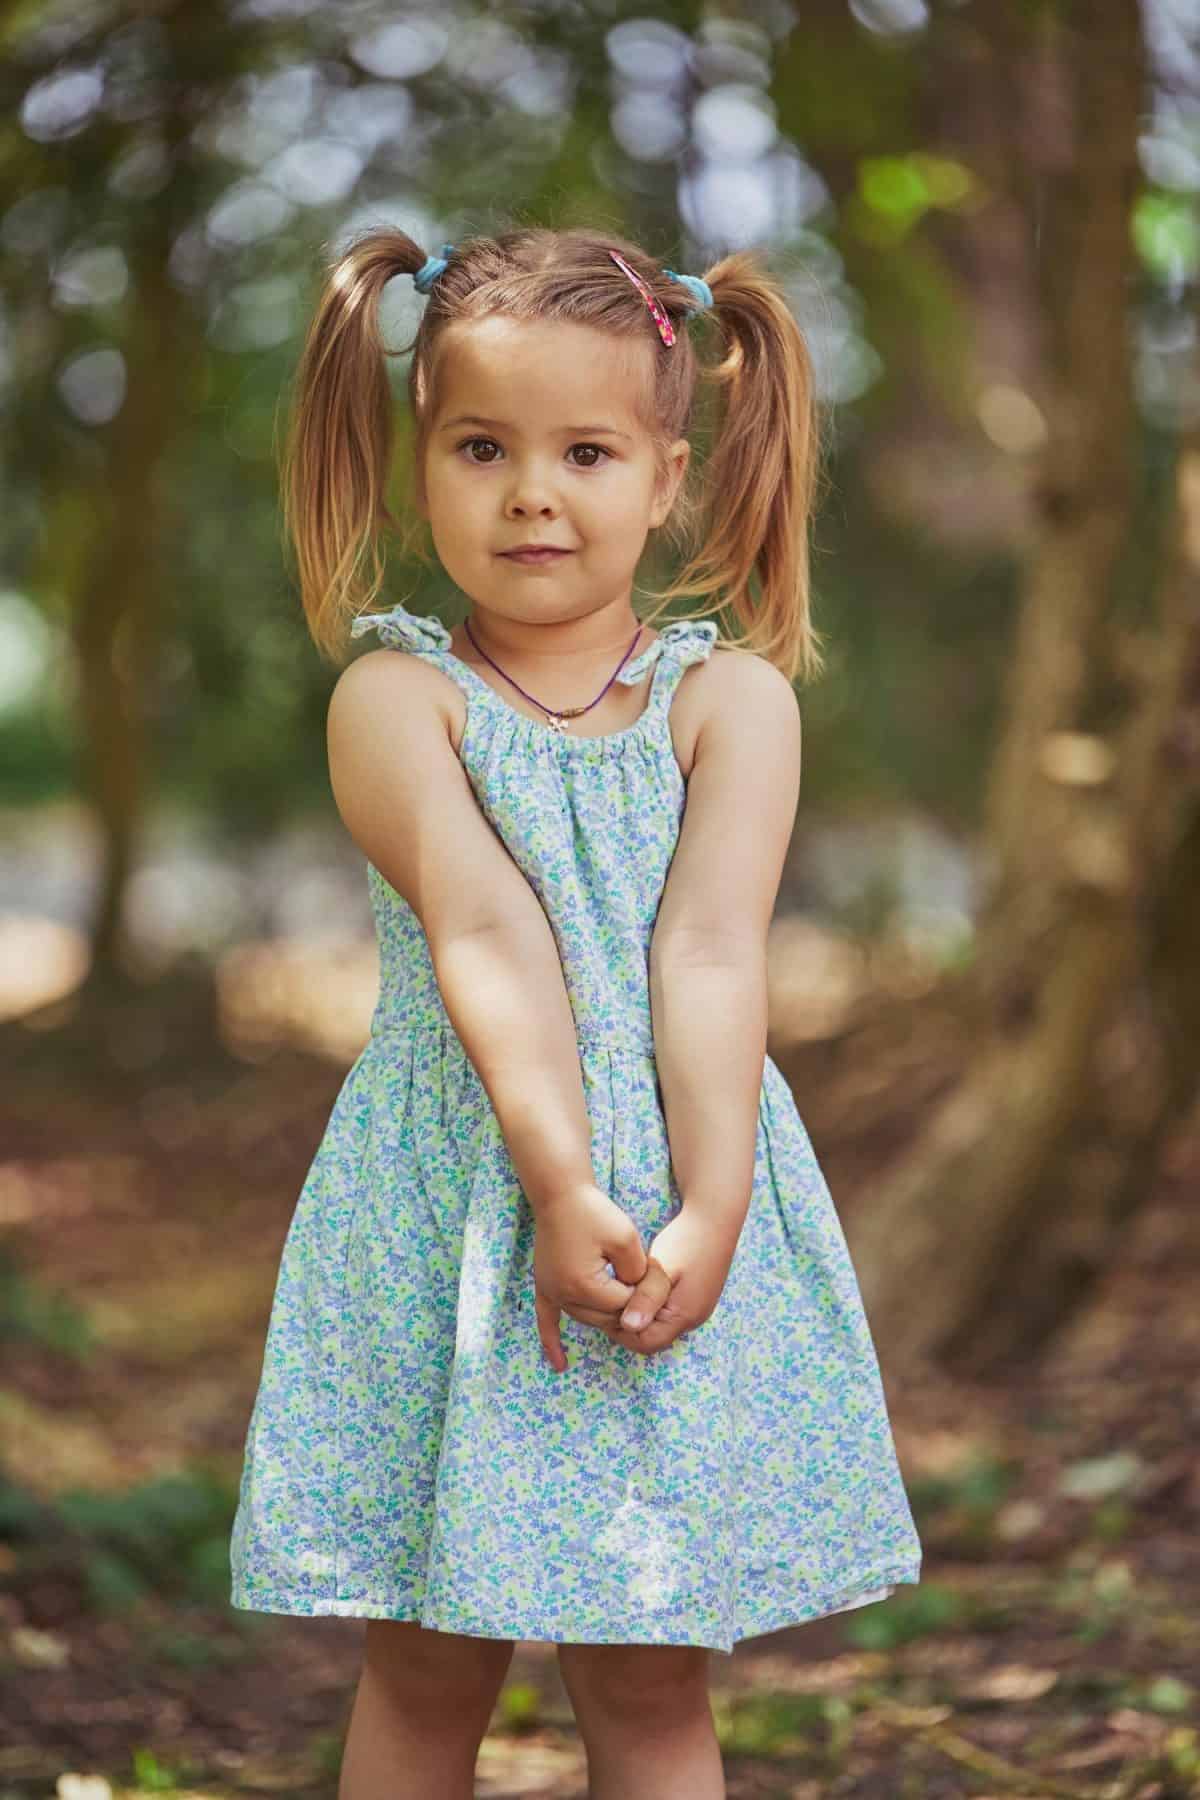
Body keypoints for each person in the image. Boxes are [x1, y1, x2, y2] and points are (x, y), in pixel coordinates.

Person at [228, 225, 921, 1800]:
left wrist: (717, 1201)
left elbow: (712, 955)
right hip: (453, 1197)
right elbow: (484, 927)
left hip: (677, 1194)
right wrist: (554, 1177)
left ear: (667, 476)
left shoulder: (726, 702)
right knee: (423, 1653)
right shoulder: (398, 701)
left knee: (649, 1662)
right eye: (483, 446)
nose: (535, 491)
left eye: (588, 450)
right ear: (424, 468)